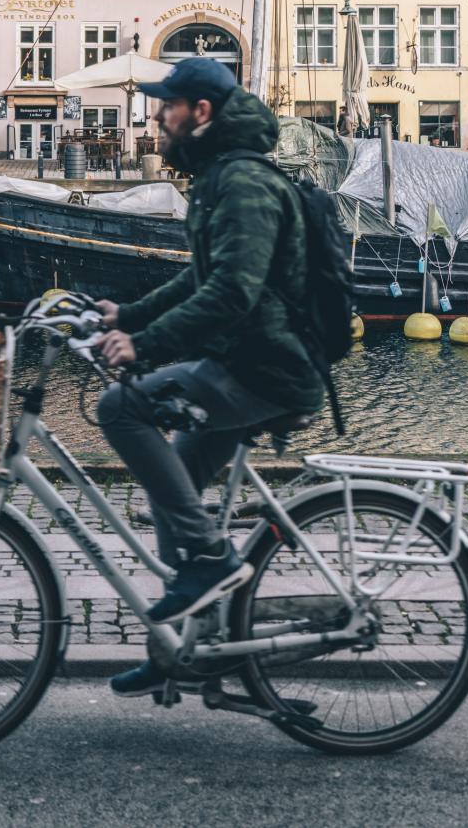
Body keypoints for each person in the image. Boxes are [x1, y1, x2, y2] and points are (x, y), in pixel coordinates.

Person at [94, 57, 324, 697]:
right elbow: (199, 277)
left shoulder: (245, 183)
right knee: (180, 489)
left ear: (200, 113)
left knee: (122, 408)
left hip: (264, 371)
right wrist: (129, 314)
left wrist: (140, 346)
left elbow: (230, 293)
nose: (157, 116)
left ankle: (216, 563)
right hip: (243, 362)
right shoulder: (222, 176)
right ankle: (188, 650)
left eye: (168, 106)